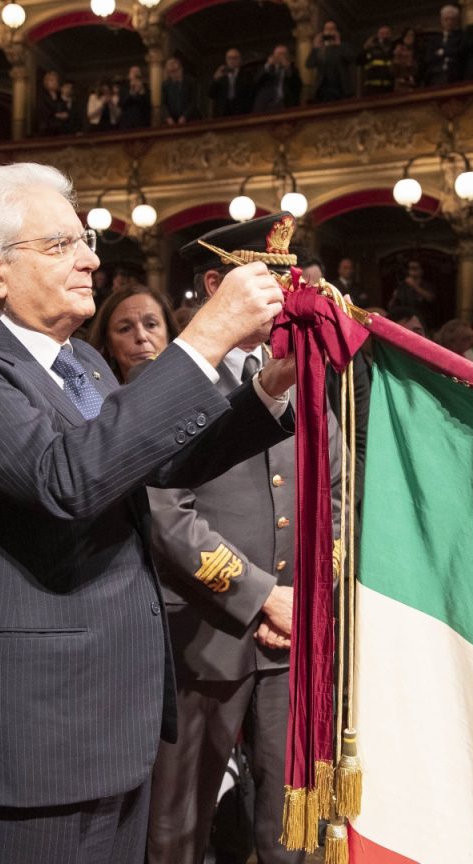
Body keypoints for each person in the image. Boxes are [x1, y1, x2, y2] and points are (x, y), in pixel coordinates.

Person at [0, 163, 296, 863]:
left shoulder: (80, 361)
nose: (90, 258)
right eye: (60, 245)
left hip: (119, 706)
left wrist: (268, 384)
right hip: (39, 728)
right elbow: (65, 481)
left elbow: (156, 465)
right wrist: (202, 341)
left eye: (84, 240)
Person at [146, 214, 340, 864]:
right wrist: (262, 597)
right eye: (265, 279)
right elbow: (167, 513)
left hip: (291, 640)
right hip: (205, 634)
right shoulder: (176, 380)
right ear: (213, 284)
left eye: (289, 281)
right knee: (181, 824)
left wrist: (307, 594)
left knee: (291, 821)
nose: (284, 297)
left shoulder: (304, 371)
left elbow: (334, 497)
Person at [88, 284, 179, 382]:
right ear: (108, 344)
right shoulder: (99, 395)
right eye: (125, 329)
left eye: (151, 325)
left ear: (168, 333)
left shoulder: (195, 389)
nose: (141, 336)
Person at [308, 21, 356, 102]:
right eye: (327, 29)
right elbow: (309, 64)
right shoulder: (320, 49)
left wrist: (338, 43)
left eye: (331, 29)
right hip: (323, 88)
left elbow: (351, 58)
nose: (329, 31)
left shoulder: (342, 46)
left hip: (340, 87)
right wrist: (315, 48)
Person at [422, 4, 466, 86]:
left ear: (456, 21)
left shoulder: (461, 36)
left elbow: (460, 52)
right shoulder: (434, 39)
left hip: (455, 74)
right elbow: (428, 58)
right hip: (435, 75)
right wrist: (448, 52)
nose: (449, 22)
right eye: (446, 19)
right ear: (441, 20)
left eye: (452, 19)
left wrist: (442, 52)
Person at [252, 45, 302, 113]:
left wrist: (288, 68)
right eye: (278, 54)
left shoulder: (292, 69)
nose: (281, 56)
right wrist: (268, 65)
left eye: (283, 54)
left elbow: (298, 86)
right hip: (266, 105)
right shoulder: (266, 68)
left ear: (288, 56)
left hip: (286, 104)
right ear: (273, 55)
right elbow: (256, 81)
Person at [210, 48, 255, 117]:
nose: (232, 61)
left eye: (235, 58)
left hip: (242, 111)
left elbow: (251, 94)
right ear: (226, 60)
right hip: (223, 112)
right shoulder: (221, 75)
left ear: (240, 60)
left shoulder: (247, 75)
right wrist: (215, 79)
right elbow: (211, 94)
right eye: (229, 58)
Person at [162, 57, 200, 125]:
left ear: (180, 68)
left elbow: (193, 101)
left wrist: (185, 116)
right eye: (171, 72)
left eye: (175, 71)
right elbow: (164, 104)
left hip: (190, 120)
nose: (173, 74)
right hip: (173, 122)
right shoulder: (165, 85)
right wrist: (168, 117)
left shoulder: (191, 82)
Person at [360, 26, 396, 96]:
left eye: (387, 33)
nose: (384, 36)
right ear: (378, 35)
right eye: (382, 33)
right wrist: (365, 49)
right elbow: (359, 61)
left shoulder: (394, 49)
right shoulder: (370, 49)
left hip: (389, 87)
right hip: (372, 88)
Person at [118, 66, 151, 130]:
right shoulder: (124, 87)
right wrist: (131, 93)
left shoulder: (145, 87)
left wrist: (141, 92)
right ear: (129, 75)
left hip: (142, 122)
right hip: (127, 123)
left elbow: (148, 105)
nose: (135, 74)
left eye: (137, 72)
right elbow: (122, 104)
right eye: (133, 72)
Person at [391, 27, 420, 92]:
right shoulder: (398, 50)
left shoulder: (417, 51)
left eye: (412, 35)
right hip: (401, 85)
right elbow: (393, 70)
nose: (410, 38)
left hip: (414, 85)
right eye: (408, 35)